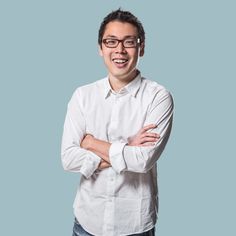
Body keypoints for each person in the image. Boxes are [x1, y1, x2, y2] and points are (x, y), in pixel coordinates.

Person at [61, 9, 174, 236]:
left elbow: (143, 160)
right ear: (100, 48)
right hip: (86, 223)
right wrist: (127, 146)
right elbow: (68, 158)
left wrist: (91, 143)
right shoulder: (82, 96)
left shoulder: (158, 96)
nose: (119, 50)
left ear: (141, 47)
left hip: (134, 225)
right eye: (111, 41)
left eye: (129, 42)